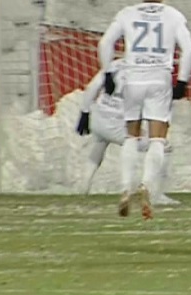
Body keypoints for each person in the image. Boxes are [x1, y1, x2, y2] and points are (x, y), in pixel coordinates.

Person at [97, 0, 191, 220]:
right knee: (158, 139)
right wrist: (182, 80)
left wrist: (108, 73)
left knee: (131, 135)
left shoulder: (127, 13)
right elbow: (190, 50)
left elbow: (105, 43)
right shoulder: (173, 15)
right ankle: (147, 186)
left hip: (133, 78)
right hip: (159, 78)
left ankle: (124, 188)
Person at [75, 60, 181, 207]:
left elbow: (92, 87)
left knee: (100, 143)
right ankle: (156, 194)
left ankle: (83, 187)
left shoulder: (115, 64)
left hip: (98, 119)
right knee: (164, 146)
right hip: (118, 125)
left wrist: (84, 113)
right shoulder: (147, 72)